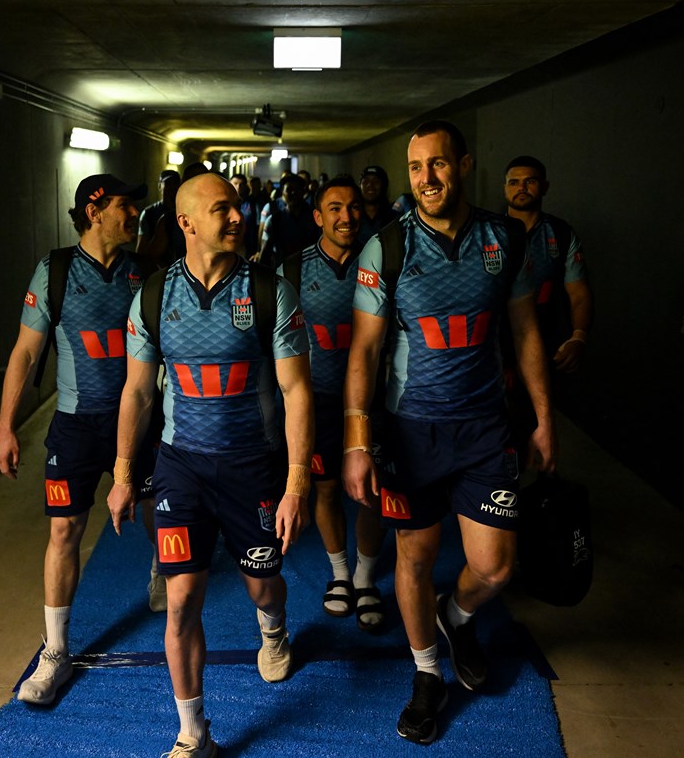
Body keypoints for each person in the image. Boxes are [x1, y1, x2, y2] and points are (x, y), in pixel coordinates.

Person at [342, 121, 556, 745]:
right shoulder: (388, 246)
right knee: (415, 555)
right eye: (415, 169)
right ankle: (426, 672)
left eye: (437, 165)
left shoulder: (501, 238)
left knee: (494, 567)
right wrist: (357, 441)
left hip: (487, 430)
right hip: (412, 433)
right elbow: (364, 350)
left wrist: (544, 418)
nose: (426, 180)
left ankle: (453, 614)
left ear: (463, 165)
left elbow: (524, 333)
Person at [108, 173, 314, 757]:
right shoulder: (152, 295)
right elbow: (139, 393)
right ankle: (193, 734)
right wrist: (125, 475)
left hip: (254, 468)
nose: (236, 217)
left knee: (262, 586)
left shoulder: (272, 291)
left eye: (236, 207)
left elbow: (297, 391)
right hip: (182, 470)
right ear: (187, 222)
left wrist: (297, 484)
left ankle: (273, 630)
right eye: (221, 208)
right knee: (181, 600)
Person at [0, 173, 163, 706]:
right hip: (76, 424)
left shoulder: (144, 273)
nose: (135, 216)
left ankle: (163, 566)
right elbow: (24, 353)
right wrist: (6, 427)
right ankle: (56, 652)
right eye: (124, 207)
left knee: (161, 507)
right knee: (65, 530)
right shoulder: (57, 272)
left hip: (139, 423)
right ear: (93, 212)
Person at [279, 175, 387, 632]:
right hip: (317, 399)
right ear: (319, 217)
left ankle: (365, 578)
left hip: (369, 401)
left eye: (354, 207)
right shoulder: (294, 269)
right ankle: (340, 573)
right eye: (335, 209)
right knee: (323, 489)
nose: (347, 217)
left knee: (371, 491)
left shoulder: (380, 260)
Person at [502, 156, 593, 444]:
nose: (521, 188)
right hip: (497, 348)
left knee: (542, 428)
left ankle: (545, 482)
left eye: (530, 181)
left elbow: (578, 293)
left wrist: (578, 336)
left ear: (545, 187)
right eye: (514, 182)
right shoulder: (487, 232)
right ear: (505, 188)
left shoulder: (561, 234)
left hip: (546, 346)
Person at [256, 173, 319, 267]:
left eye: (297, 189)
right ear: (282, 192)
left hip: (311, 270)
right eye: (289, 189)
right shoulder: (274, 220)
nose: (293, 192)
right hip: (282, 273)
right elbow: (265, 254)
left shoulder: (315, 218)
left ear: (303, 191)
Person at [136, 169, 181, 256]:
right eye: (168, 184)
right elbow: (141, 248)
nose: (172, 188)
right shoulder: (149, 213)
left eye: (175, 184)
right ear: (160, 186)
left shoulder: (185, 210)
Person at [357, 165, 398, 246]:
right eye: (365, 181)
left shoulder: (395, 219)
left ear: (384, 186)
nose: (370, 185)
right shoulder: (353, 217)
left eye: (376, 181)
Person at [230, 172, 259, 258]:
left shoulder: (253, 203)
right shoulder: (224, 203)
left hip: (248, 244)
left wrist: (258, 249)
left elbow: (258, 226)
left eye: (241, 184)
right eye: (235, 184)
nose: (238, 187)